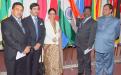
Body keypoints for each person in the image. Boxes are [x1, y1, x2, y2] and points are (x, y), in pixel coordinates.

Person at [1, 2, 31, 75]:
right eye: (17, 9)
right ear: (12, 10)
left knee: (22, 72)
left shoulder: (24, 22)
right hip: (12, 55)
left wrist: (28, 46)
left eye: (21, 10)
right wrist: (22, 49)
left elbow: (28, 35)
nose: (19, 12)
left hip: (24, 54)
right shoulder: (6, 22)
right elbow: (8, 39)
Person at [95, 4, 120, 75]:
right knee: (98, 63)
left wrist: (108, 38)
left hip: (108, 46)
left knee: (108, 64)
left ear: (110, 10)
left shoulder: (116, 21)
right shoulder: (98, 19)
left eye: (106, 9)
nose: (103, 10)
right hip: (98, 46)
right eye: (103, 9)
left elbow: (117, 34)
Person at [23, 3, 45, 75]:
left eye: (38, 9)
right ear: (30, 10)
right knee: (27, 66)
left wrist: (39, 43)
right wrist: (33, 45)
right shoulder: (25, 20)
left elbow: (43, 33)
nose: (36, 11)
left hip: (38, 48)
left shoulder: (41, 20)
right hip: (29, 48)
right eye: (34, 9)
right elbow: (25, 35)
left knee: (35, 66)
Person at [75, 7, 97, 75]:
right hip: (78, 44)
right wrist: (78, 18)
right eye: (85, 11)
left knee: (87, 61)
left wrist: (89, 46)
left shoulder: (93, 22)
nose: (86, 13)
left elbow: (92, 35)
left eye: (88, 11)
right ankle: (80, 72)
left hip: (86, 46)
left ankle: (88, 73)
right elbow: (77, 24)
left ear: (90, 12)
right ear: (83, 12)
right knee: (80, 60)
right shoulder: (82, 20)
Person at [44, 8, 63, 75]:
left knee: (56, 64)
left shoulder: (57, 23)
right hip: (49, 47)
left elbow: (59, 34)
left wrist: (57, 34)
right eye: (51, 13)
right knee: (50, 64)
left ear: (55, 15)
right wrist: (58, 34)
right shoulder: (46, 23)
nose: (52, 15)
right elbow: (53, 38)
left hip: (56, 47)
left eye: (53, 14)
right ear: (48, 15)